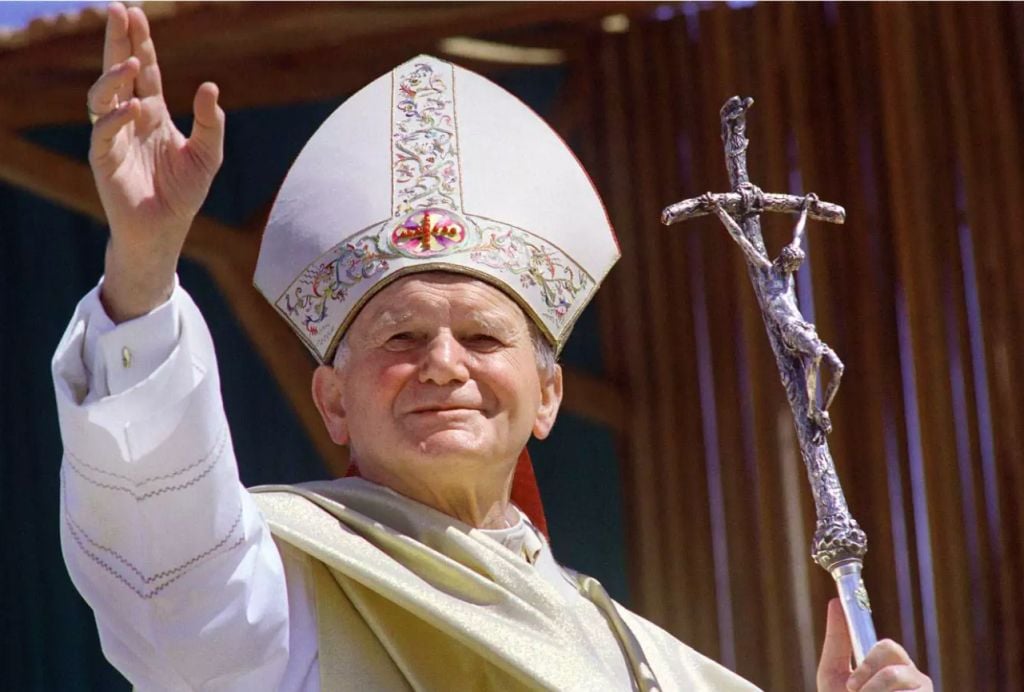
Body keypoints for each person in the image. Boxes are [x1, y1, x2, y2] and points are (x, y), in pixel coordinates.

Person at [56, 3, 933, 690]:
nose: (444, 362)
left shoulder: (644, 661)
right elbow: (163, 567)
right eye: (402, 336)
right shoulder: (286, 589)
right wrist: (143, 260)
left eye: (482, 335)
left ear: (547, 394)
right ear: (333, 399)